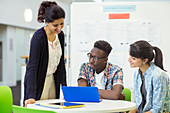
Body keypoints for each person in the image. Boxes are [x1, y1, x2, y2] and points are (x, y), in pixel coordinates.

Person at [24, 1, 67, 107]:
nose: (59, 28)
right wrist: (31, 95)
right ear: (47, 22)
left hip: (53, 80)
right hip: (39, 82)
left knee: (53, 108)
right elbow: (32, 67)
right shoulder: (39, 38)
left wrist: (65, 89)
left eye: (61, 23)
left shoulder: (60, 35)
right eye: (55, 25)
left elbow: (61, 64)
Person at [128, 40, 169, 113]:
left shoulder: (158, 75)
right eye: (130, 57)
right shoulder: (137, 74)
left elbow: (157, 109)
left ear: (145, 60)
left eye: (133, 58)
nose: (129, 60)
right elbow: (137, 103)